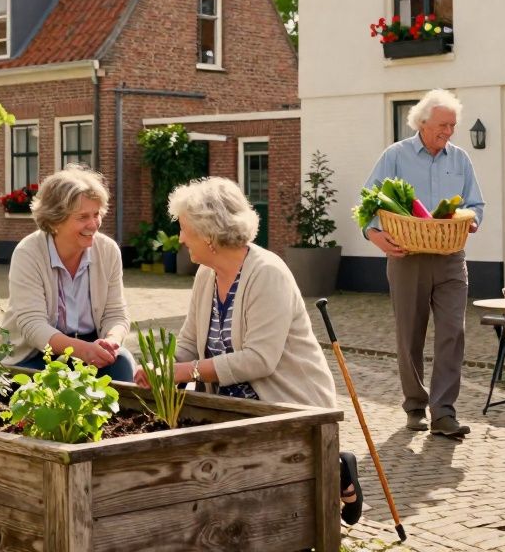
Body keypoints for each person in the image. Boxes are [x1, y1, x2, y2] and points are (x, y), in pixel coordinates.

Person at [133, 177, 362, 525]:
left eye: (184, 228)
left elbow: (259, 359)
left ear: (208, 233)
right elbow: (189, 345)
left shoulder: (267, 274)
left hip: (284, 404)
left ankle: (336, 468)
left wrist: (184, 373)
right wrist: (160, 367)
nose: (180, 238)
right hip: (230, 407)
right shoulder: (206, 275)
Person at [362, 88, 484, 438]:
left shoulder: (459, 159)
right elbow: (369, 200)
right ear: (423, 122)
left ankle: (443, 412)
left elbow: (476, 203)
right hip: (406, 258)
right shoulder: (396, 155)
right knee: (409, 335)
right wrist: (374, 235)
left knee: (453, 333)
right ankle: (414, 405)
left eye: (453, 125)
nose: (449, 131)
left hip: (450, 258)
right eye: (443, 125)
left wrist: (472, 219)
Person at [1, 165, 135, 381]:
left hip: (92, 344)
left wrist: (111, 341)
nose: (93, 224)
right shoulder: (28, 253)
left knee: (123, 365)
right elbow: (33, 326)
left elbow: (116, 314)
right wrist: (82, 351)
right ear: (55, 220)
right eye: (83, 217)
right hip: (36, 353)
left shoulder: (108, 250)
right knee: (46, 388)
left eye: (96, 214)